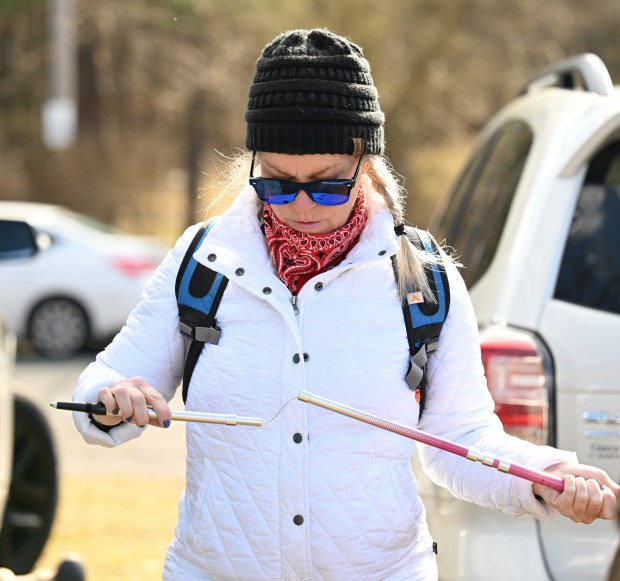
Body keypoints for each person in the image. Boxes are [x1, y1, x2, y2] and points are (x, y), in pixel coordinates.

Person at [72, 28, 619, 580]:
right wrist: (111, 396)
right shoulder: (202, 261)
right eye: (279, 184)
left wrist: (545, 478)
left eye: (328, 185)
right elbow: (108, 379)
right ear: (255, 165)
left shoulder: (424, 279)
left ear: (367, 166)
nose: (302, 205)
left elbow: (463, 441)